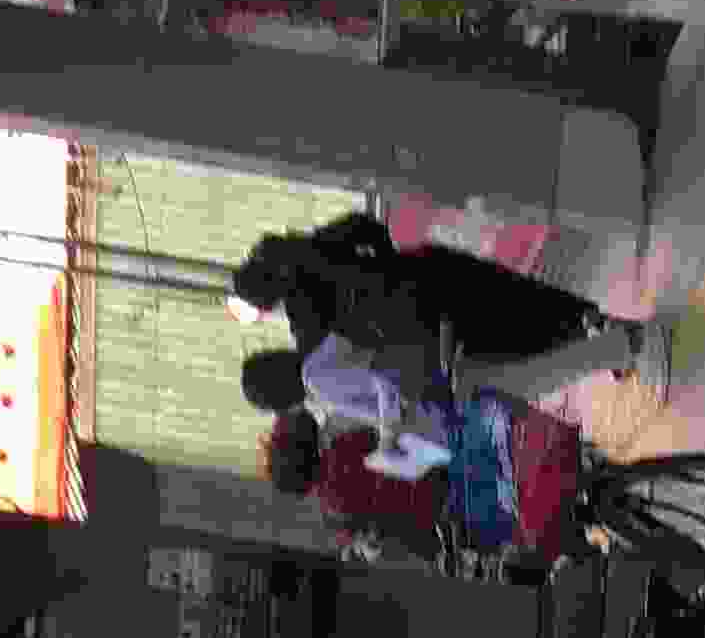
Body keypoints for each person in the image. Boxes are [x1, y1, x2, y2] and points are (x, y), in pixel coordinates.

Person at [230, 212, 653, 401]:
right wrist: (389, 268)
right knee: (521, 293)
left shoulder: (305, 324)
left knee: (516, 339)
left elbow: (351, 362)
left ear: (270, 301)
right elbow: (366, 226)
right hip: (426, 270)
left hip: (424, 327)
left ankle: (602, 346)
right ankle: (596, 319)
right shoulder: (313, 244)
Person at [237, 344, 447, 487]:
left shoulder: (316, 379)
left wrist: (387, 439)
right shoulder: (315, 368)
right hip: (423, 386)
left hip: (428, 391)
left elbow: (383, 375)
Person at [265, 406, 453, 562]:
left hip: (430, 520)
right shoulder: (341, 448)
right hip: (436, 475)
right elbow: (388, 436)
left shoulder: (332, 514)